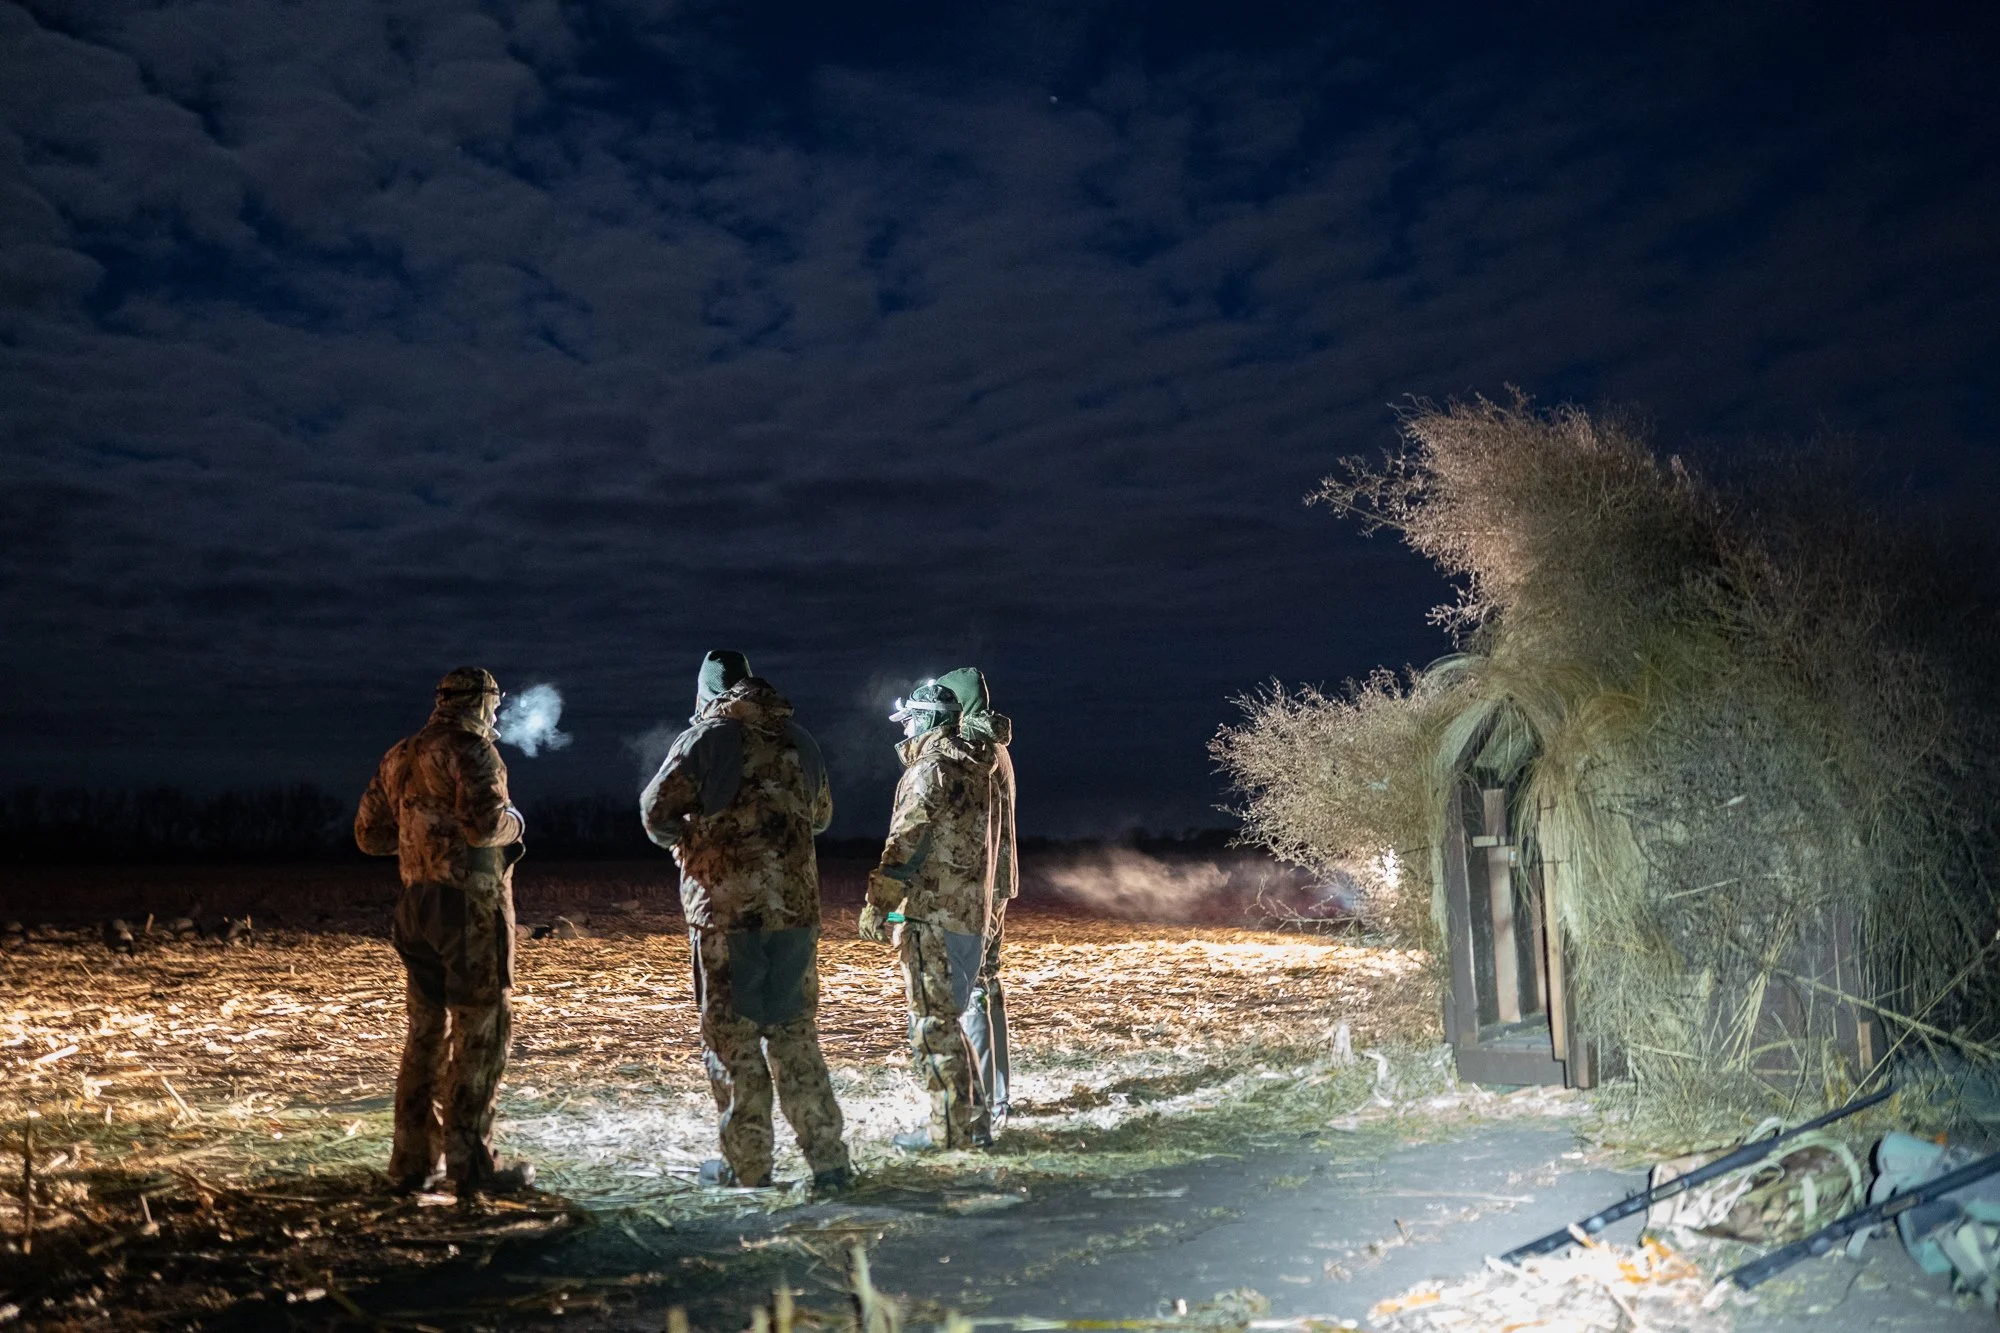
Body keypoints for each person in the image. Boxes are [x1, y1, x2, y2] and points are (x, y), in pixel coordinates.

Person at [641, 651, 853, 1191]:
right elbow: (822, 816)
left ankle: (750, 1168)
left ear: (709, 693)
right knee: (795, 1038)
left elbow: (654, 811)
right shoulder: (801, 741)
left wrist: (687, 840)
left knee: (734, 1046)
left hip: (727, 918)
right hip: (796, 918)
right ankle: (830, 1164)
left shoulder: (705, 741)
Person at [355, 666, 534, 1196]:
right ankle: (471, 1168)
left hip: (415, 907)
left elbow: (369, 835)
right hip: (467, 911)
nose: (497, 713)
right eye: (495, 703)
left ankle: (412, 1165)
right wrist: (517, 823)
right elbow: (485, 826)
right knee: (481, 1035)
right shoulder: (473, 752)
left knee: (425, 1037)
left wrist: (420, 840)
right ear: (479, 703)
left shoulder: (400, 755)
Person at [860, 667, 1018, 1152]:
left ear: (929, 719)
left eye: (911, 720)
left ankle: (951, 1133)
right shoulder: (979, 762)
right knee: (956, 1016)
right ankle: (977, 1122)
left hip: (935, 916)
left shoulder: (932, 768)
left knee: (933, 1025)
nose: (905, 730)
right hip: (971, 911)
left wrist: (879, 903)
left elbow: (906, 841)